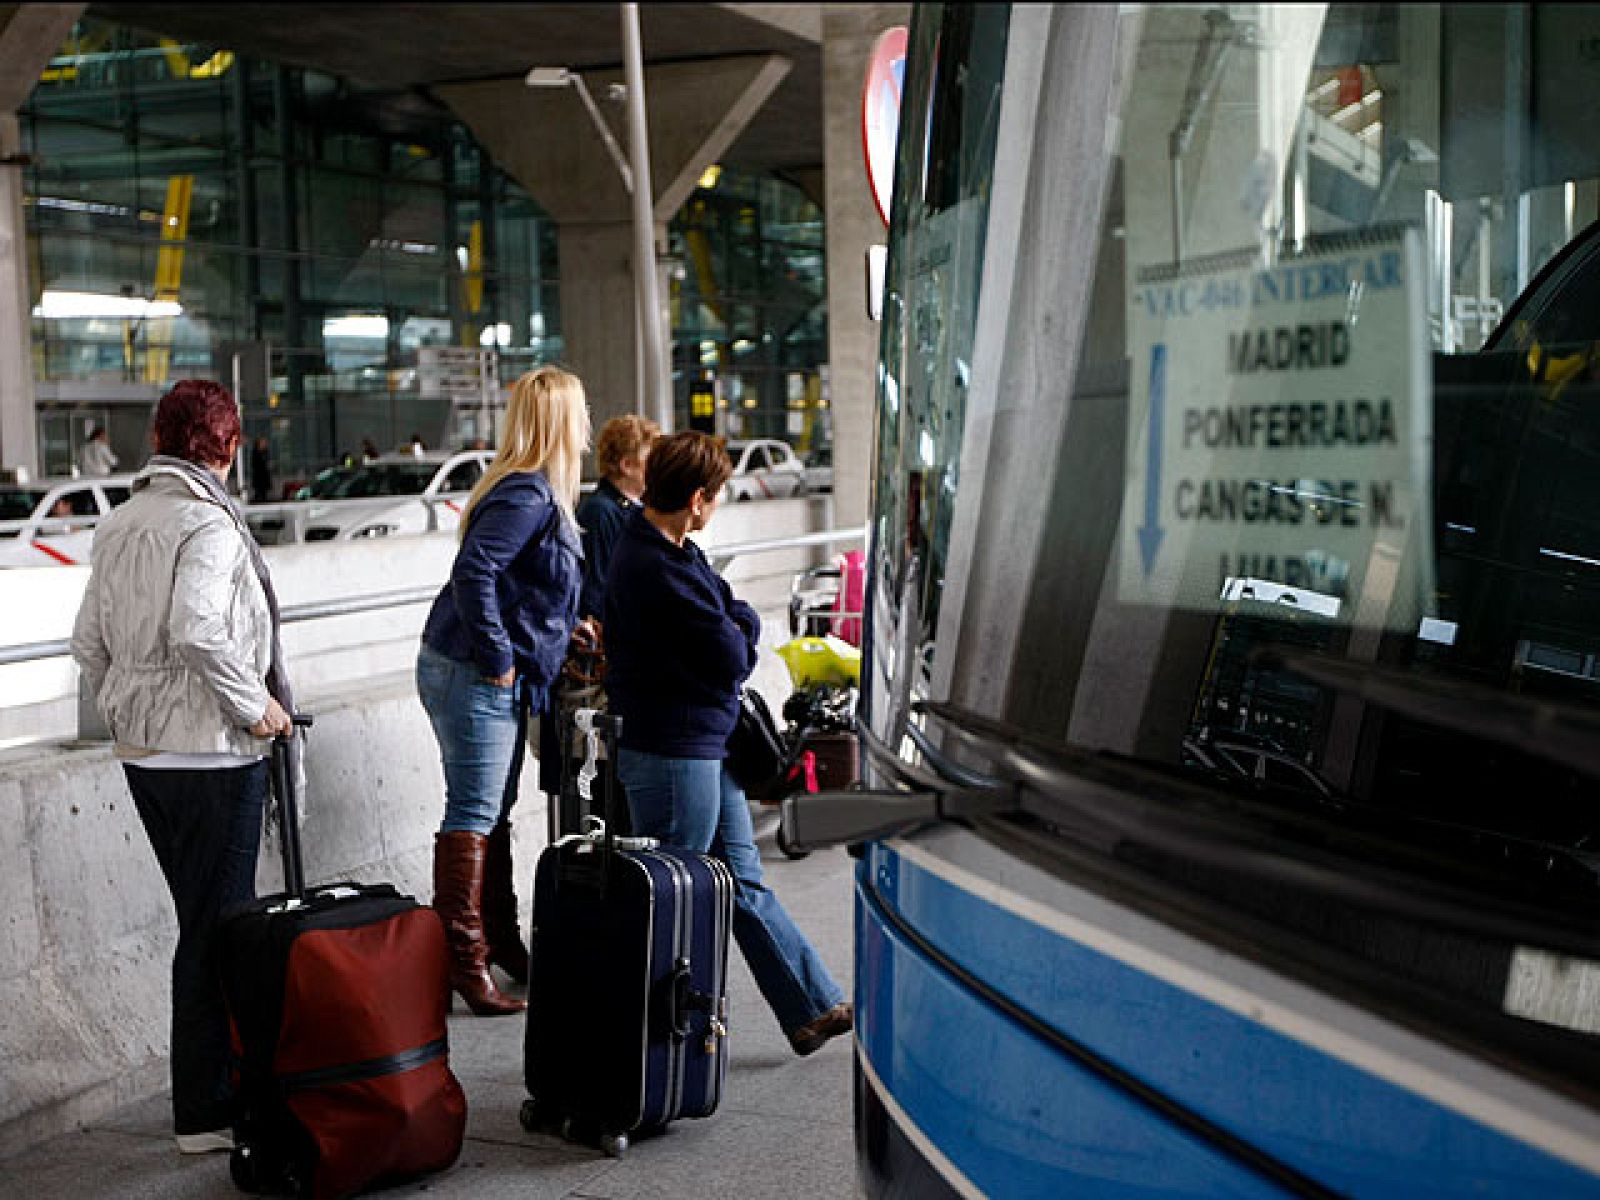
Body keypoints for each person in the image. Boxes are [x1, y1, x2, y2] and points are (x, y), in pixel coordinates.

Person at [70, 379, 296, 1155]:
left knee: (201, 921)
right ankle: (206, 1109)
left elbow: (88, 643)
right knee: (219, 928)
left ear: (160, 440)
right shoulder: (210, 524)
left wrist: (131, 706)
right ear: (227, 448)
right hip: (210, 750)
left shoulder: (121, 520)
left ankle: (214, 1093)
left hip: (147, 755)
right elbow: (197, 628)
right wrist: (255, 707)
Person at [604, 431, 853, 1057]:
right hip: (671, 752)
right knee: (677, 899)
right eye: (715, 496)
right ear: (696, 498)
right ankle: (651, 1042)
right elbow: (733, 651)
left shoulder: (676, 552)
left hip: (702, 746)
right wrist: (739, 624)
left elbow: (731, 621)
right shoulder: (654, 567)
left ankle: (810, 1005)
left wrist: (734, 621)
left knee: (740, 881)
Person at [415, 365, 595, 1016]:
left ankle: (501, 944)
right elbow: (476, 572)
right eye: (579, 413)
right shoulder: (528, 495)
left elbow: (522, 584)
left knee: (491, 810)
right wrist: (498, 656)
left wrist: (562, 628)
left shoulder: (537, 492)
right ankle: (464, 962)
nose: (587, 424)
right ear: (557, 422)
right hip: (472, 668)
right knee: (472, 812)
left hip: (478, 666)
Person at [575, 414, 659, 621]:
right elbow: (596, 586)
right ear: (627, 465)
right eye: (651, 462)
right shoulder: (601, 512)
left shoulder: (632, 509)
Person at [248, 435, 272, 504]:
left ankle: (263, 500)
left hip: (264, 474)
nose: (264, 444)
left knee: (264, 491)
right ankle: (257, 500)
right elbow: (255, 464)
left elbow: (266, 461)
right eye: (262, 442)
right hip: (259, 475)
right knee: (259, 491)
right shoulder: (255, 452)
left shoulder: (265, 452)